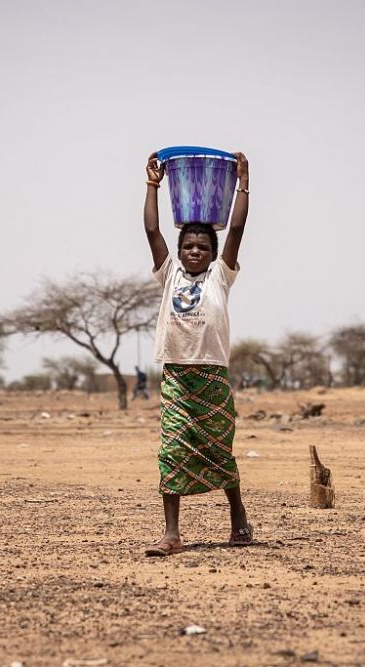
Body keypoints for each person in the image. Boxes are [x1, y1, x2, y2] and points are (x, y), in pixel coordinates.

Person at [142, 149, 253, 557]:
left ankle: (238, 517)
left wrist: (243, 184)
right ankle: (171, 534)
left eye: (202, 247)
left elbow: (237, 228)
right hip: (176, 377)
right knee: (172, 450)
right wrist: (152, 187)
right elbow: (153, 231)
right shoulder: (168, 273)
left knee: (219, 450)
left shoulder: (220, 277)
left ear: (211, 252)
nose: (194, 252)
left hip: (211, 377)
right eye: (188, 245)